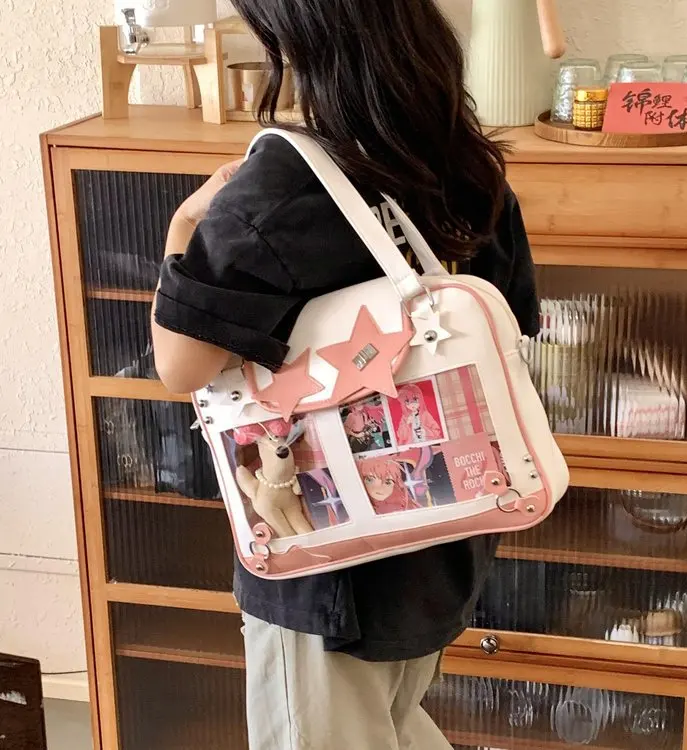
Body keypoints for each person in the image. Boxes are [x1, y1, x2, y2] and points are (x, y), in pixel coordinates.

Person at [151, 0, 539, 747]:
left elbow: (180, 364)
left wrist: (183, 227)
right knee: (395, 721)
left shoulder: (282, 184)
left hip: (325, 552)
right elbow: (510, 319)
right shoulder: (457, 156)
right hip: (441, 526)